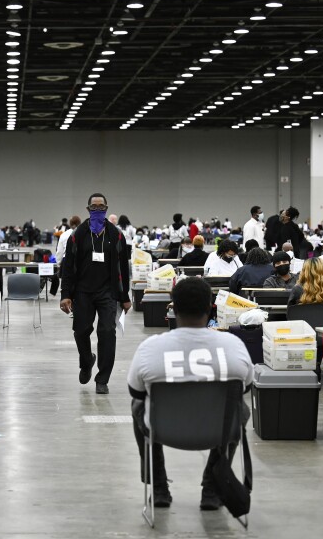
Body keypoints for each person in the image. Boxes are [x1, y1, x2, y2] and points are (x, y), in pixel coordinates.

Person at [127, 277, 254, 510]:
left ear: (173, 308)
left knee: (138, 407)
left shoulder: (151, 347)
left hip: (164, 430)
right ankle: (212, 488)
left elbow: (135, 391)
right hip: (219, 430)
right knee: (239, 409)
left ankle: (158, 487)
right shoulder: (233, 345)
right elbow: (245, 387)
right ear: (210, 306)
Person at [60, 193, 132, 395]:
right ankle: (86, 361)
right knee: (81, 331)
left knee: (107, 332)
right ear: (88, 209)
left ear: (107, 208)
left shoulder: (116, 235)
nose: (98, 210)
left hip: (107, 292)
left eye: (102, 207)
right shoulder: (78, 235)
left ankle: (103, 379)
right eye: (94, 207)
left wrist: (125, 297)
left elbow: (123, 270)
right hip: (82, 292)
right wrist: (66, 294)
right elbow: (68, 267)